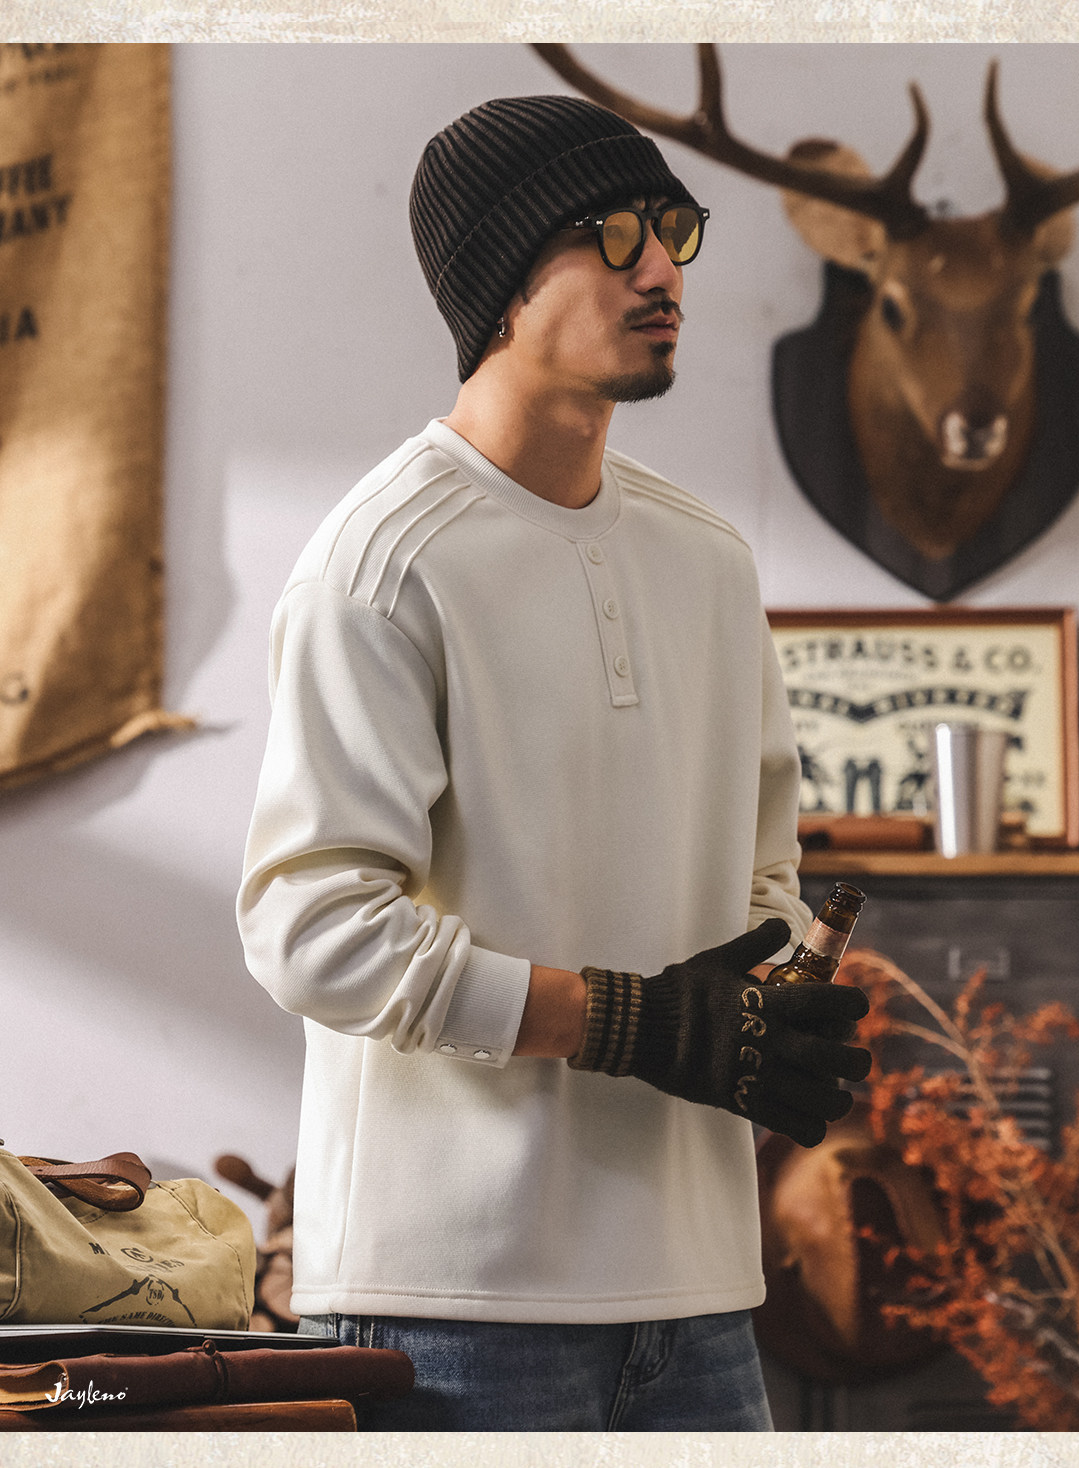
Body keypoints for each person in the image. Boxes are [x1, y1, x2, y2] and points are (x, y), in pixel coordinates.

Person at [236, 93, 871, 1431]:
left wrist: (766, 1003)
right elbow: (311, 928)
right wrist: (629, 1021)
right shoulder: (381, 567)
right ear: (500, 286)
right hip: (449, 1306)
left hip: (705, 1300)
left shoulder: (711, 563)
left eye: (673, 230)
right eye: (613, 235)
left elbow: (763, 872)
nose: (662, 271)